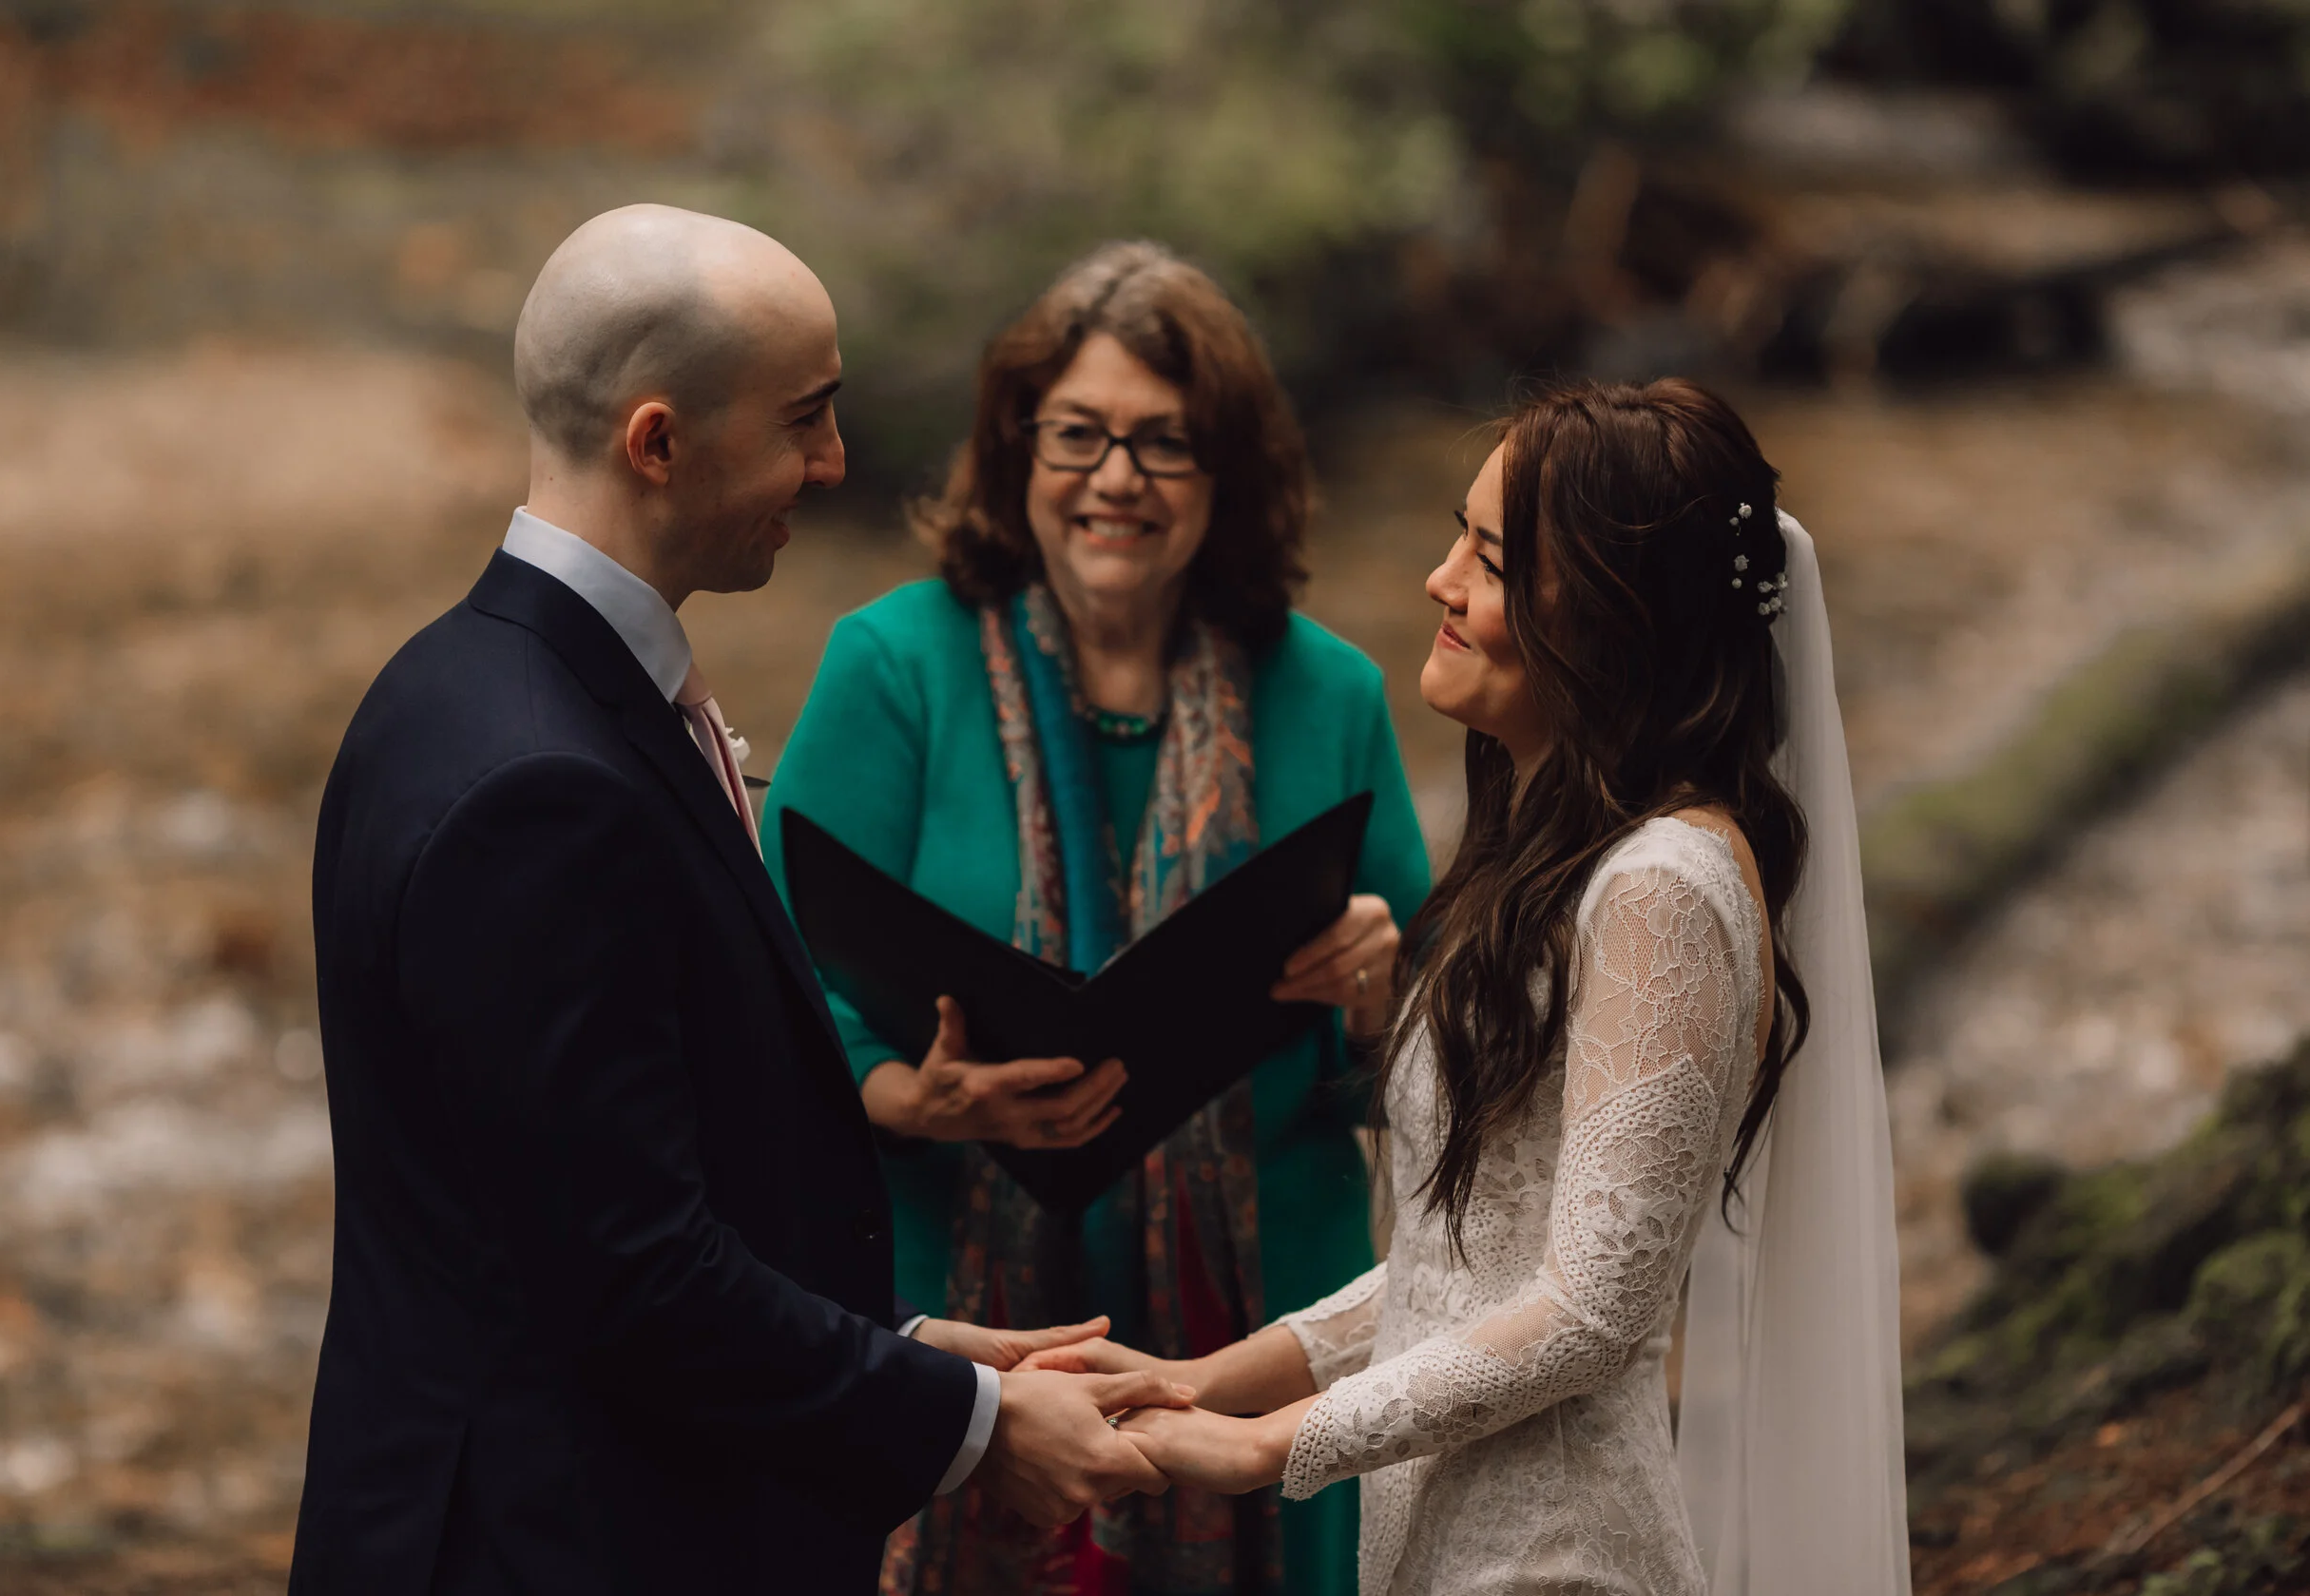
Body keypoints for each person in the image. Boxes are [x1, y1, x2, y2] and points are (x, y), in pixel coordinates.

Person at [290, 204, 1193, 1596]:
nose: (832, 465)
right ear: (658, 440)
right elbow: (629, 1277)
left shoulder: (453, 684)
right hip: (545, 1539)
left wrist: (900, 1343)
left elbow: (604, 1186)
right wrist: (971, 1426)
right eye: (806, 419)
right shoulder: (544, 786)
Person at [1029, 380, 1912, 1594]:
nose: (1440, 580)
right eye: (1460, 536)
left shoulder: (1663, 883)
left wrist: (1263, 1448)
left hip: (1556, 1558)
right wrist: (1202, 1378)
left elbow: (1592, 1308)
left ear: (1612, 617)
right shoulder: (1555, 854)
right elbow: (1465, 1264)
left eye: (1489, 560)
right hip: (1446, 1540)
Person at [760, 241, 1433, 1594]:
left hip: (1266, 1312)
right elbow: (762, 989)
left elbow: (1449, 1062)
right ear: (1017, 449)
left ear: (1226, 471)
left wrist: (1383, 983)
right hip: (950, 1300)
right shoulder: (893, 666)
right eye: (1078, 433)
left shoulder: (1335, 692)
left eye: (1164, 442)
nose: (1115, 478)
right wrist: (905, 1091)